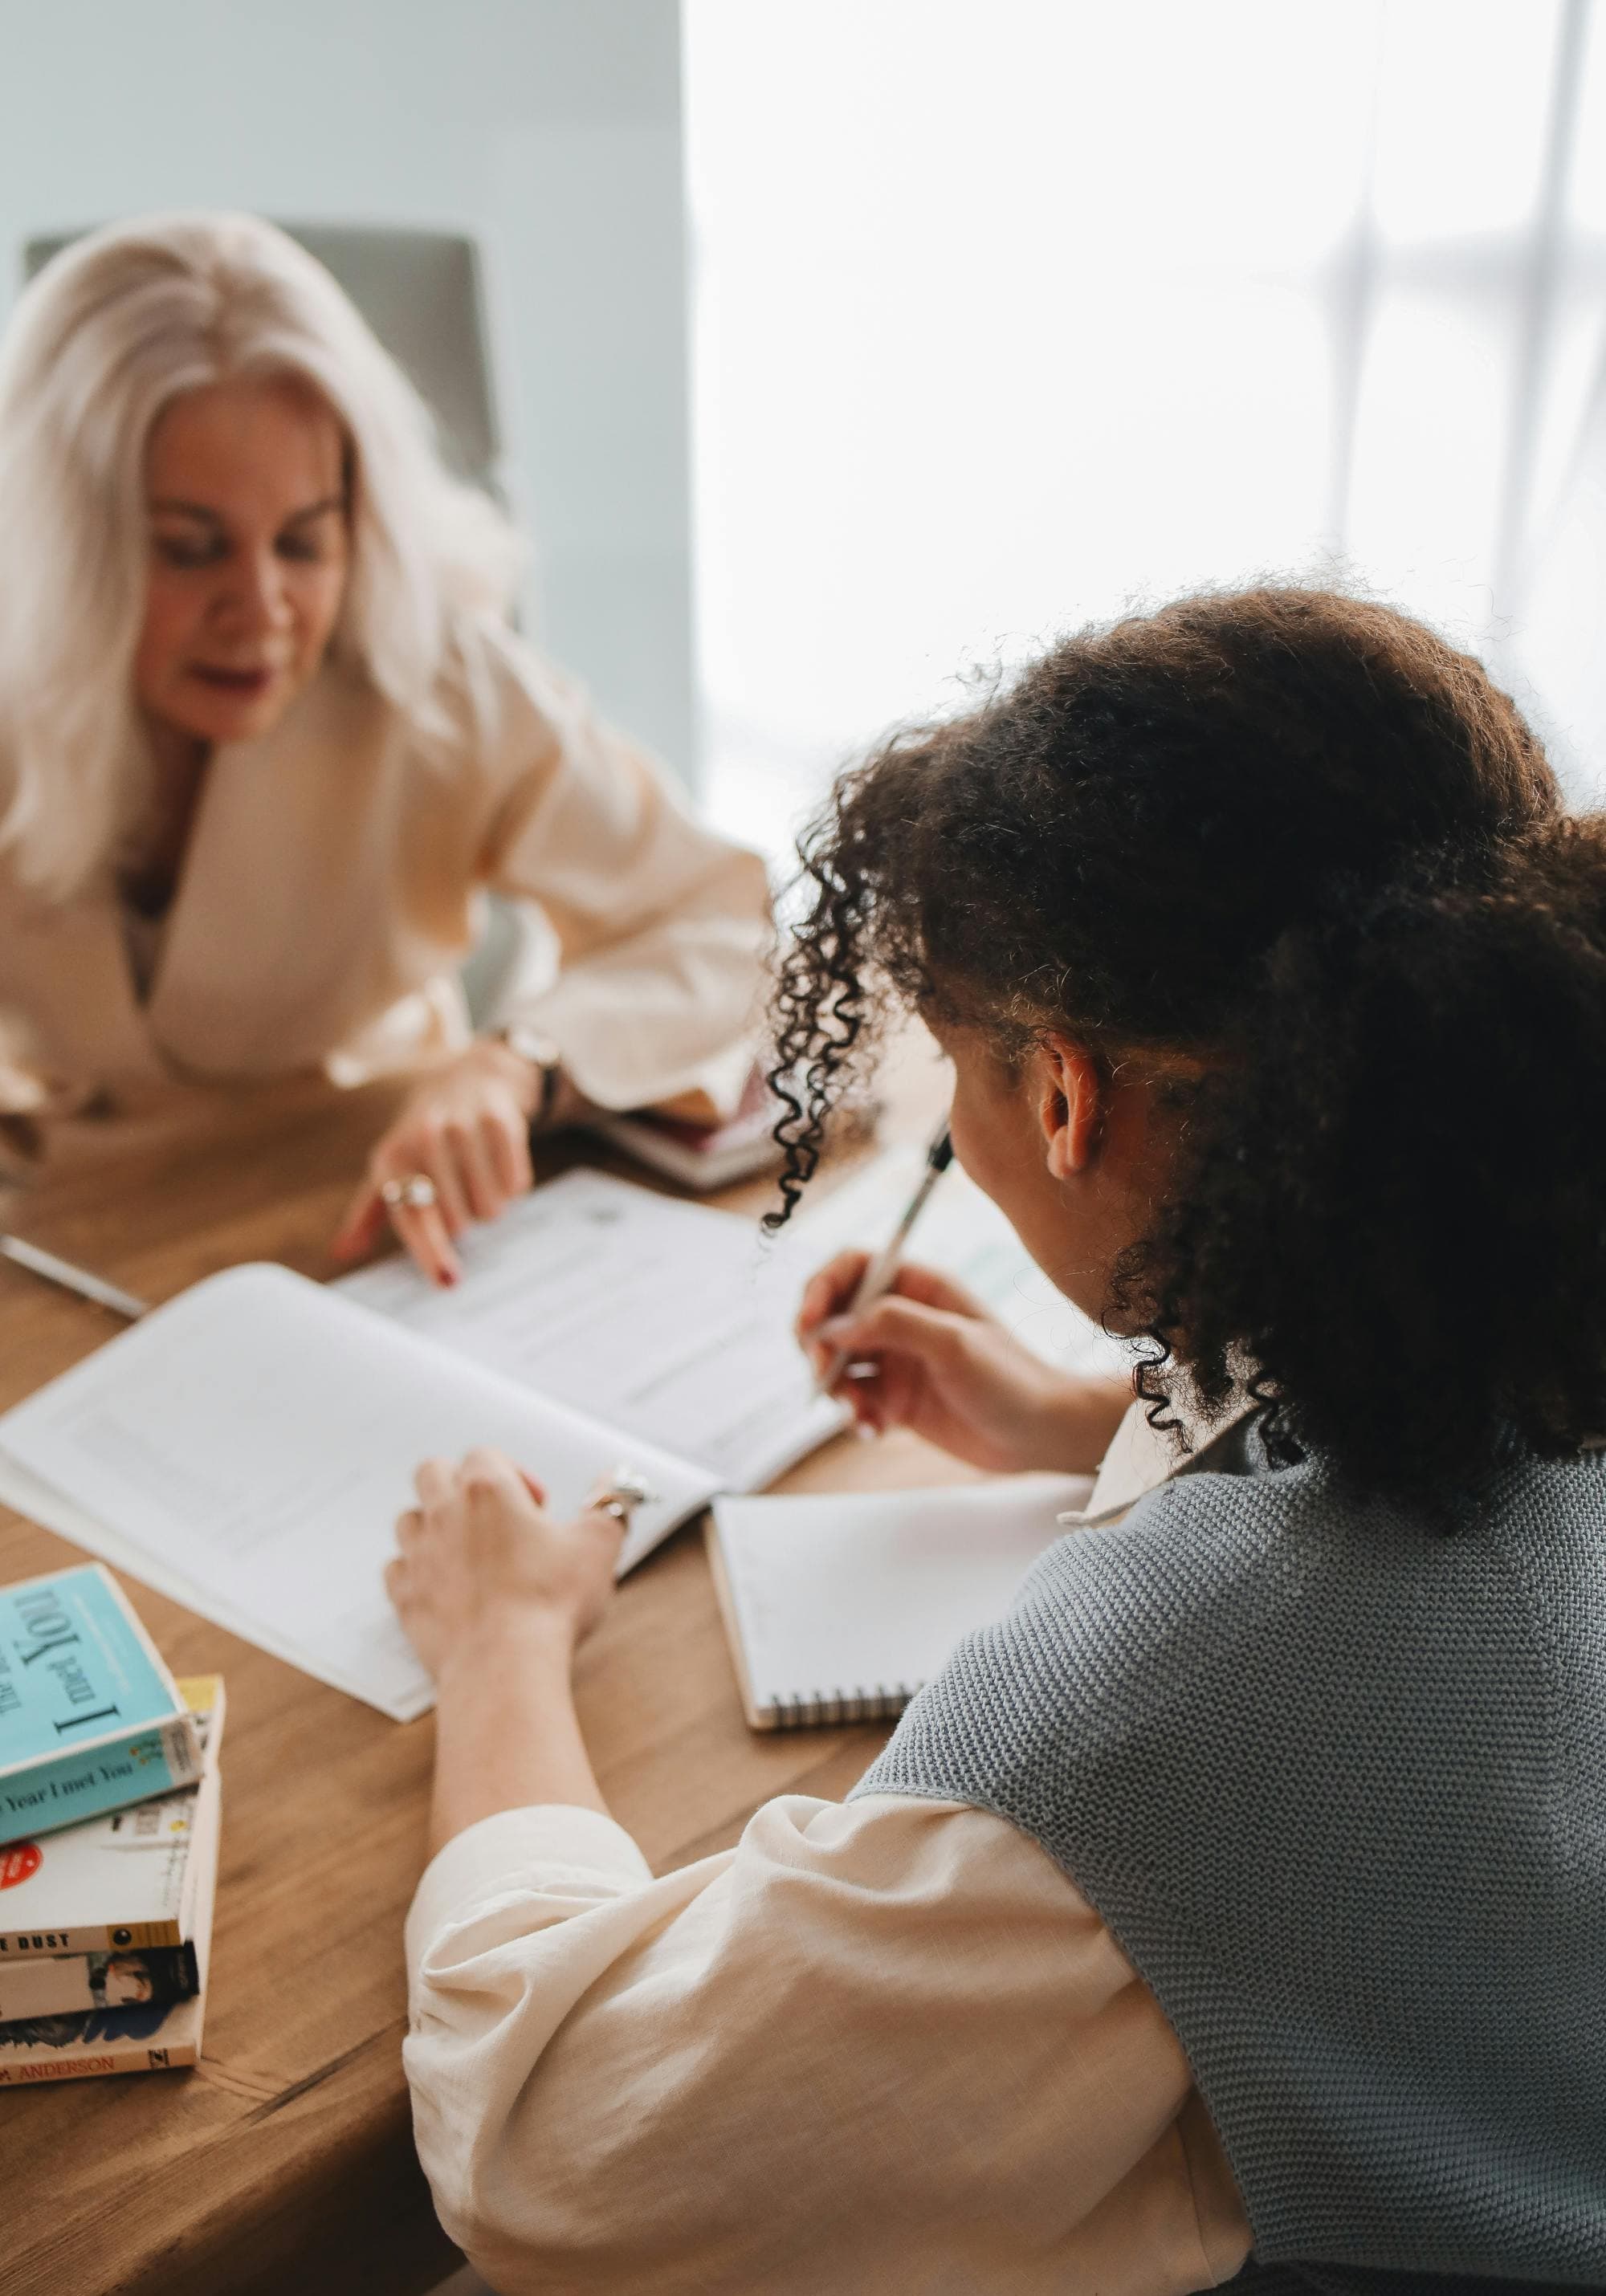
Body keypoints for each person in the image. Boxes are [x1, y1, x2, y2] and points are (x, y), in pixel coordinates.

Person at [388, 589, 1606, 2293]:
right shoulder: (1545, 1313)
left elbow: (553, 2153)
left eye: (956, 1074)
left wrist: (500, 1641)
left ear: (1060, 1093)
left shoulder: (1133, 1727)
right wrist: (1075, 1415)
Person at [0, 213, 770, 1282]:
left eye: (306, 539)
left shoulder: (435, 676)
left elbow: (722, 921)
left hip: (373, 1210)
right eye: (190, 550)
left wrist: (518, 1065)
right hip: (58, 1239)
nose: (262, 609)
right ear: (66, 547)